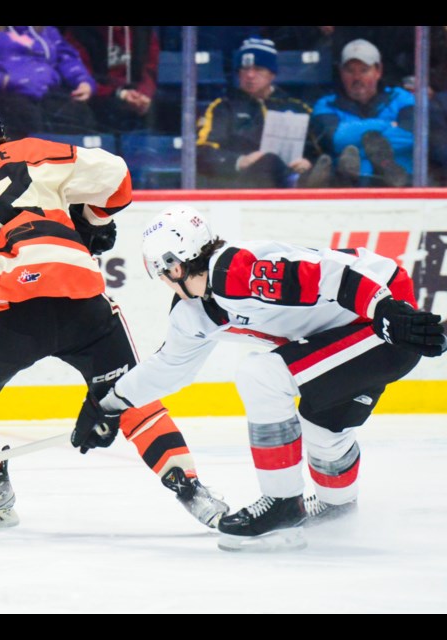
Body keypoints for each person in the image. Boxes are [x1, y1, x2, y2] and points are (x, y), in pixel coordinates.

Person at [0, 105, 230, 529]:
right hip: (82, 297)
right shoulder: (31, 150)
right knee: (131, 396)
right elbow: (118, 179)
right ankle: (191, 488)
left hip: (10, 311)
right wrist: (90, 222)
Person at [77, 205, 445, 551]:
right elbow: (169, 368)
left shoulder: (238, 270)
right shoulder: (193, 312)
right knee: (323, 428)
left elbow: (332, 278)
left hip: (386, 320)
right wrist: (107, 404)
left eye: (162, 273)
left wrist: (387, 311)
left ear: (174, 267)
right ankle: (338, 513)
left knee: (262, 374)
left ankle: (283, 501)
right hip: (352, 332)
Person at [196, 37, 323, 189]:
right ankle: (294, 182)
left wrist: (308, 163)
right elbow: (203, 152)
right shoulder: (223, 107)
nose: (250, 75)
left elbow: (321, 150)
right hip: (242, 184)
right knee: (269, 160)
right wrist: (240, 161)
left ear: (272, 74)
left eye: (258, 69)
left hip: (292, 180)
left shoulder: (297, 108)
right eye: (245, 69)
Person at [0, 27, 98, 139]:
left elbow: (66, 57)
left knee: (77, 114)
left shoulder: (46, 31)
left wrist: (83, 81)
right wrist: (2, 80)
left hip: (48, 95)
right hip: (2, 96)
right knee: (21, 116)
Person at [310, 38, 414, 187]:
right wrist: (387, 125)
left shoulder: (403, 98)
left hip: (402, 186)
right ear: (340, 72)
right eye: (349, 71)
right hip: (347, 187)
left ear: (378, 71)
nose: (357, 78)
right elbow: (336, 140)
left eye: (364, 70)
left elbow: (414, 137)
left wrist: (357, 143)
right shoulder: (325, 104)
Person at [64, 26, 160, 133]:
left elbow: (150, 70)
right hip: (97, 101)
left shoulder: (144, 31)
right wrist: (120, 94)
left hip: (136, 101)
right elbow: (83, 76)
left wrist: (143, 94)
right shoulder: (79, 31)